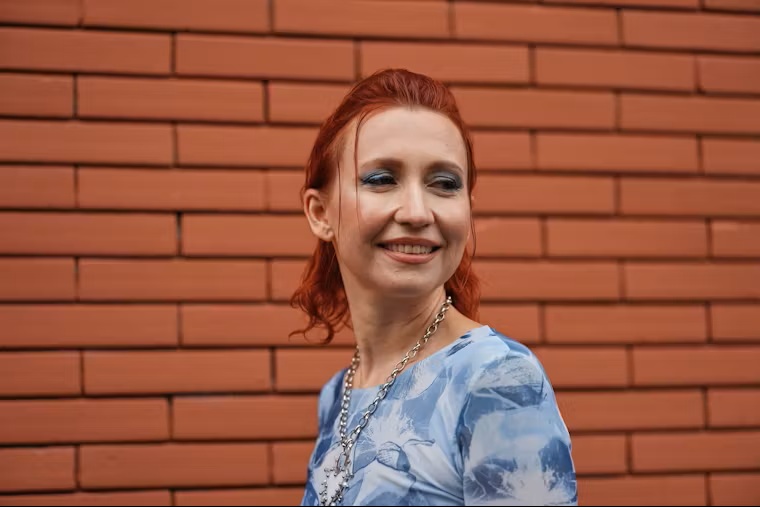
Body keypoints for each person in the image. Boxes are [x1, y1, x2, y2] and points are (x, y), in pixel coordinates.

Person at [290, 68, 577, 506]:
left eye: (444, 184)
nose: (417, 212)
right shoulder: (339, 394)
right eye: (381, 179)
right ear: (320, 213)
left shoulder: (498, 381)